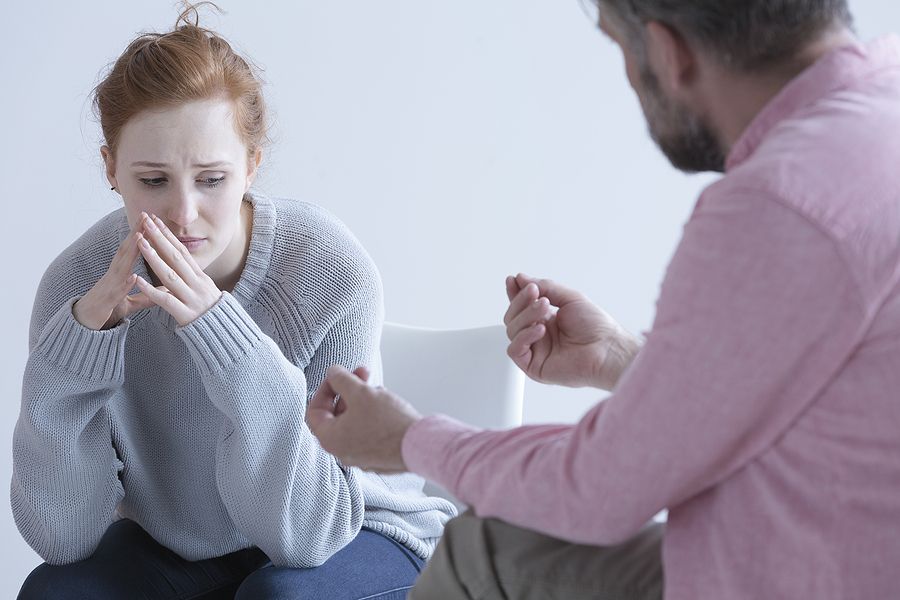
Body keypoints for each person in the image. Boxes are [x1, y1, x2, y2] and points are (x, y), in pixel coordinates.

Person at [307, 1, 900, 598]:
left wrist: (408, 440)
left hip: (801, 573)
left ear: (669, 53)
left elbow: (598, 491)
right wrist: (623, 358)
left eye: (619, 46)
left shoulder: (779, 204)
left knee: (477, 551)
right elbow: (824, 399)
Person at [11, 5, 455, 599]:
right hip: (183, 545)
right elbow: (63, 539)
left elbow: (308, 536)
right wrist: (73, 365)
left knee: (278, 596)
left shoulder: (328, 270)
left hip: (355, 530)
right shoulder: (79, 286)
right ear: (111, 169)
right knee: (57, 592)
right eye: (152, 180)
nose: (183, 213)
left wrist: (227, 341)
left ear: (251, 166)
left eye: (212, 179)